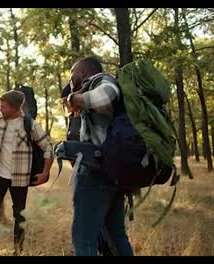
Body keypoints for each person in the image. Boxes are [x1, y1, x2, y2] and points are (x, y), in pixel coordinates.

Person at [64, 56, 134, 256]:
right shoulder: (92, 86)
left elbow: (106, 97)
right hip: (112, 170)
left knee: (83, 240)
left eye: (72, 73)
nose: (70, 79)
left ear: (84, 72)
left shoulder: (101, 80)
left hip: (97, 172)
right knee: (116, 235)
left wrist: (73, 98)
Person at [0, 90, 53, 256]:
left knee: (19, 216)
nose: (0, 109)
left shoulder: (29, 125)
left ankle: (18, 252)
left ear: (15, 108)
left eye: (3, 107)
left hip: (20, 178)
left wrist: (45, 173)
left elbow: (48, 147)